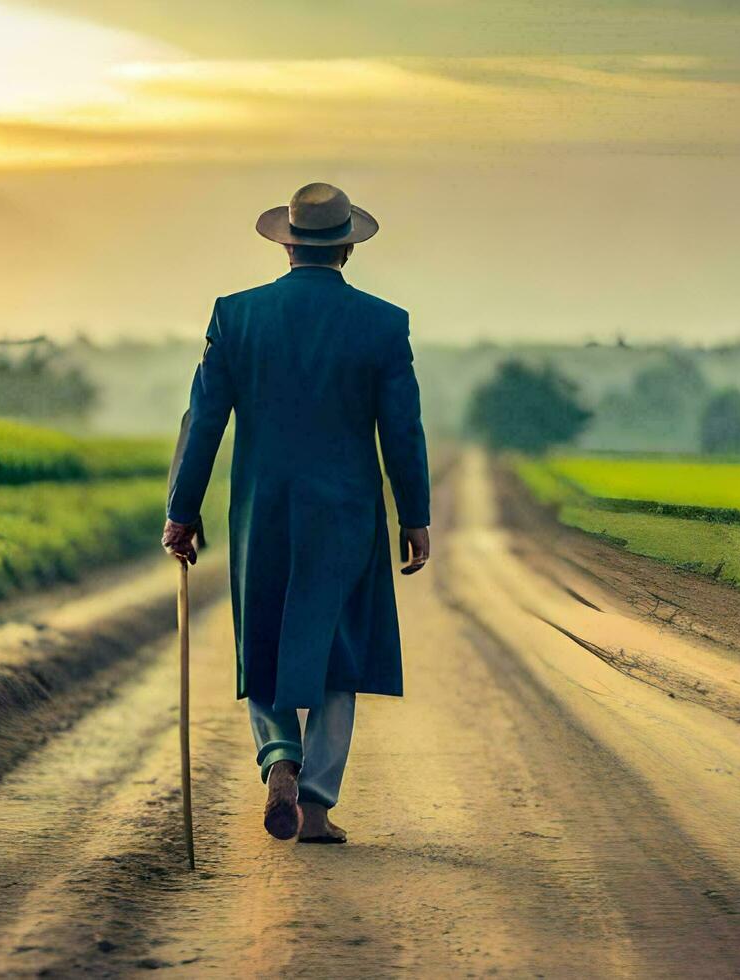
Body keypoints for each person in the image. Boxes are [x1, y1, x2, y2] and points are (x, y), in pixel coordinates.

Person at [163, 182, 430, 845]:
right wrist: (414, 515)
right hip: (348, 510)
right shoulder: (383, 323)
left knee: (266, 637)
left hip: (264, 508)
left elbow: (204, 422)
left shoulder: (236, 315)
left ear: (286, 244)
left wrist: (181, 509)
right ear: (348, 246)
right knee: (340, 649)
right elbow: (403, 430)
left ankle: (279, 757)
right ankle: (314, 803)